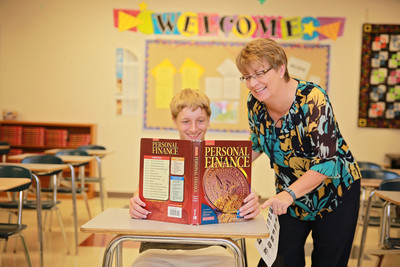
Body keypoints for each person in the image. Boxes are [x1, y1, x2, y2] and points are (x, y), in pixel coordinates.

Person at [235, 38, 362, 267]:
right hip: (290, 197)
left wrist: (288, 195)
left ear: (281, 68)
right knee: (278, 260)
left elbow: (326, 164)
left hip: (335, 192)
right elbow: (257, 143)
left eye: (259, 73)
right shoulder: (255, 104)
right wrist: (227, 165)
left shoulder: (312, 99)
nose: (253, 83)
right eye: (247, 77)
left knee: (328, 261)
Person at [129, 88, 260, 267]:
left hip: (212, 248)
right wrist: (136, 203)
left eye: (200, 121)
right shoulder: (159, 156)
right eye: (185, 121)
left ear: (208, 121)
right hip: (158, 247)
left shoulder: (225, 162)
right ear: (174, 121)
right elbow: (141, 193)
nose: (193, 128)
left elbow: (242, 199)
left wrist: (249, 205)